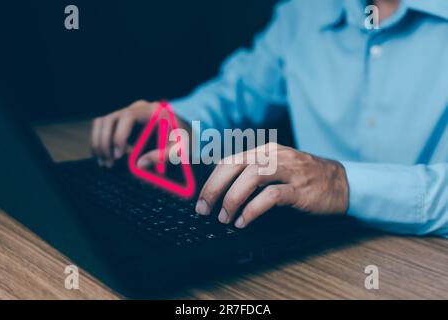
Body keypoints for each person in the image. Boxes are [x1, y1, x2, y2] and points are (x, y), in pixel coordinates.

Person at [90, 0, 448, 237]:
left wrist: (340, 183)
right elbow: (239, 91)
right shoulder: (303, 12)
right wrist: (177, 119)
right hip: (317, 253)